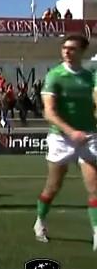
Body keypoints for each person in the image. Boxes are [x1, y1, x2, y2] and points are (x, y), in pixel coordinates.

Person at [32, 35, 97, 250]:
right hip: (61, 138)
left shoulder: (90, 77)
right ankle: (40, 221)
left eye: (72, 49)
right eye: (64, 48)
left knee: (94, 187)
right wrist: (71, 132)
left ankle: (96, 232)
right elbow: (49, 112)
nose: (67, 52)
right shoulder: (55, 76)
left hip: (88, 136)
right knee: (53, 186)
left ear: (82, 52)